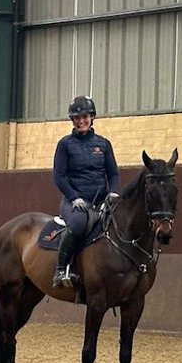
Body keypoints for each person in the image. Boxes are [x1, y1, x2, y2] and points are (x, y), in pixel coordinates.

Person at [52, 94, 120, 288]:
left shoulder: (103, 144)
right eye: (77, 118)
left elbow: (113, 173)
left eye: (85, 117)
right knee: (79, 225)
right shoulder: (65, 144)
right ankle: (60, 270)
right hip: (75, 203)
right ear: (72, 121)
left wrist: (113, 192)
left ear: (92, 118)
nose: (81, 121)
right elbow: (59, 177)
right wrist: (74, 197)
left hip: (101, 200)